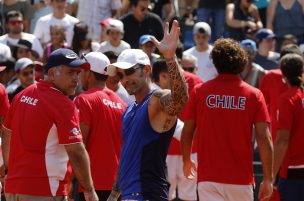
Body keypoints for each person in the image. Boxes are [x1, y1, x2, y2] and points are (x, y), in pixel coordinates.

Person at [181, 38, 274, 201]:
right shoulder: (254, 95)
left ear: (215, 62)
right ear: (242, 63)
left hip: (208, 178)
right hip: (241, 180)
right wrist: (268, 178)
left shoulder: (199, 92)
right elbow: (264, 138)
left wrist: (187, 160)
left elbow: (187, 130)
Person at [106, 20, 189, 200]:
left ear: (147, 69)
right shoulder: (129, 110)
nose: (124, 79)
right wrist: (114, 194)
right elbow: (128, 154)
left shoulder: (157, 100)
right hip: (131, 195)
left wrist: (170, 58)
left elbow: (179, 101)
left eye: (129, 72)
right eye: (120, 75)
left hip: (147, 194)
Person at [1, 48, 98, 201]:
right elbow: (76, 151)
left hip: (14, 189)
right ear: (52, 74)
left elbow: (6, 132)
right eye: (70, 72)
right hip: (45, 191)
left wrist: (11, 171)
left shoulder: (22, 95)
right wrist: (90, 190)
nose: (76, 79)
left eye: (78, 73)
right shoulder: (63, 105)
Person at [74, 52, 127, 201]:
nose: (79, 76)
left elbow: (78, 146)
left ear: (89, 73)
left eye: (81, 72)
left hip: (91, 185)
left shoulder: (83, 100)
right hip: (118, 185)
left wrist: (69, 179)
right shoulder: (122, 104)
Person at [152, 59, 202, 201]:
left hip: (167, 149)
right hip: (190, 148)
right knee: (189, 195)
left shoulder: (154, 87)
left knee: (163, 194)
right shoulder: (197, 81)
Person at [273, 53, 304, 201]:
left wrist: (271, 175)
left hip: (294, 172)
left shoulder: (287, 99)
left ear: (283, 75)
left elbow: (282, 140)